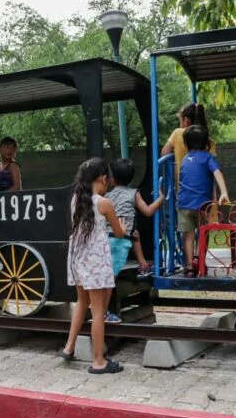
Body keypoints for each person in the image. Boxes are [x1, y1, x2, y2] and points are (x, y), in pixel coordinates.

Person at [59, 158, 125, 374]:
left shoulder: (76, 200)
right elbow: (119, 233)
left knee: (81, 302)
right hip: (95, 264)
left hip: (78, 261)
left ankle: (69, 347)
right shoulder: (104, 203)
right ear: (103, 179)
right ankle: (98, 361)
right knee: (98, 312)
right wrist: (123, 227)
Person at [103, 158, 164, 323]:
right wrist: (161, 198)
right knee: (110, 278)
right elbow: (148, 211)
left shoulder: (107, 195)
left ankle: (142, 264)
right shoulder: (133, 193)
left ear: (112, 179)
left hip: (107, 238)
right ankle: (103, 312)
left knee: (135, 234)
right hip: (120, 241)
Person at [177, 125, 229, 277]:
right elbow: (217, 172)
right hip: (203, 205)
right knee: (203, 232)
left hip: (184, 203)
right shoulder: (207, 157)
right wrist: (224, 192)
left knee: (187, 235)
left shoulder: (184, 160)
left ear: (186, 144)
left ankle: (189, 266)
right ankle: (200, 261)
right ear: (206, 143)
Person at [161, 103, 216, 189]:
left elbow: (164, 152)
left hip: (183, 187)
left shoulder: (178, 133)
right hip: (204, 188)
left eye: (180, 120)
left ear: (186, 120)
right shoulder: (209, 141)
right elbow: (213, 169)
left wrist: (175, 151)